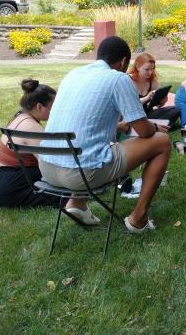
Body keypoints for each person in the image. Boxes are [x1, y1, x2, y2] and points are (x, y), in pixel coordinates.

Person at [39, 36, 171, 233]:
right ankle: (138, 218)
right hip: (80, 173)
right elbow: (143, 130)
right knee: (162, 142)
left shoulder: (73, 73)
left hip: (47, 167)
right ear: (123, 62)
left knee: (87, 143)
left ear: (98, 56)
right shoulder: (118, 78)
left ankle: (77, 202)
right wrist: (153, 127)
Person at [0, 79, 60, 208]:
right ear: (39, 106)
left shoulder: (20, 117)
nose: (55, 111)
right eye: (53, 107)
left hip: (4, 186)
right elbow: (50, 165)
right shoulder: (32, 127)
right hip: (15, 192)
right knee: (70, 194)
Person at [128, 52, 180, 129]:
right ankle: (156, 126)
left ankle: (152, 126)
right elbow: (130, 104)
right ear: (137, 66)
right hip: (133, 117)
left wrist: (162, 101)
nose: (150, 72)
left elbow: (158, 103)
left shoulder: (152, 80)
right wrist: (147, 98)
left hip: (148, 114)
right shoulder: (128, 80)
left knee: (176, 109)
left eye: (152, 69)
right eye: (147, 69)